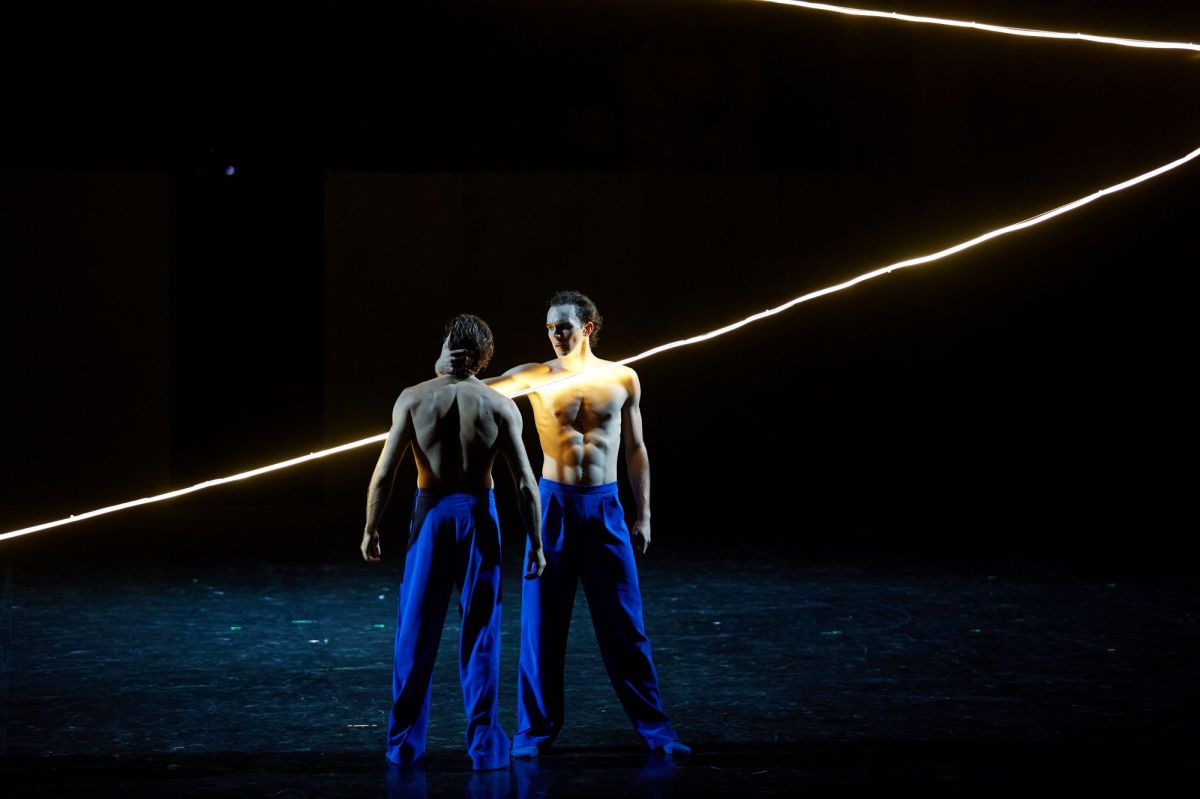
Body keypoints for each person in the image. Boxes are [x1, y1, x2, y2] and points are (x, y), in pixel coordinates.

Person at [436, 291, 690, 758]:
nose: (555, 335)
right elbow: (473, 390)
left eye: (564, 327)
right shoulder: (537, 375)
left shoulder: (623, 378)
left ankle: (657, 731)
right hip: (553, 507)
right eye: (550, 327)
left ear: (587, 327)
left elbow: (636, 449)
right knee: (541, 627)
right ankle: (533, 733)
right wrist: (442, 369)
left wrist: (644, 514)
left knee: (625, 625)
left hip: (605, 508)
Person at [362, 313, 546, 771]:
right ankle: (485, 749)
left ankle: (404, 746)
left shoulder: (413, 397)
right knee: (481, 632)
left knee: (415, 631)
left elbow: (384, 473)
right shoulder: (499, 405)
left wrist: (370, 527)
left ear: (449, 349)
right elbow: (525, 483)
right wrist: (537, 543)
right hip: (478, 517)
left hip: (432, 516)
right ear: (482, 360)